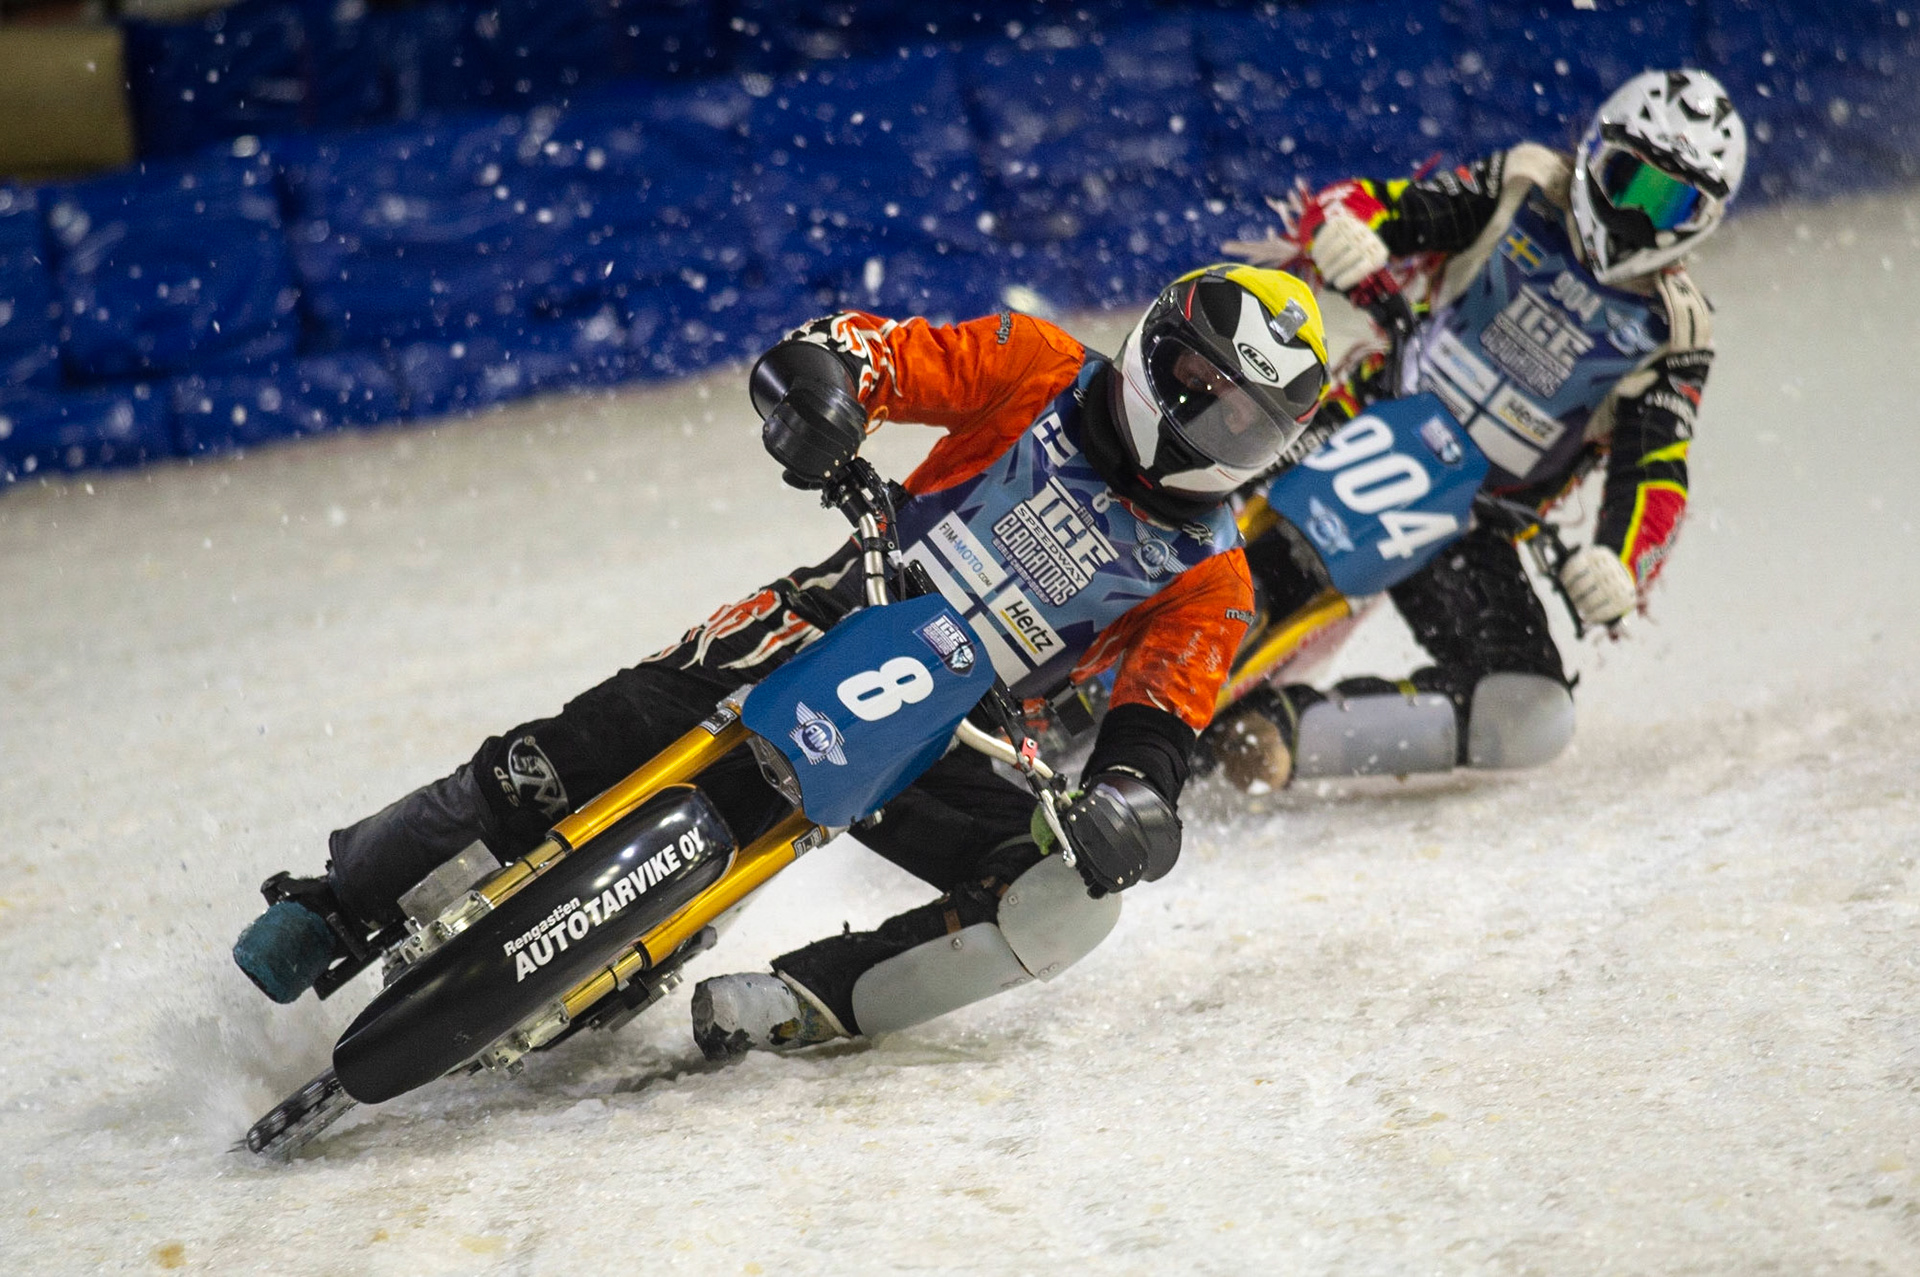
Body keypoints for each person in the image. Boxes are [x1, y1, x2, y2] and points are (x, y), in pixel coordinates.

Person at [231, 264, 1332, 1057]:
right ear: (1157, 354)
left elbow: (1160, 719)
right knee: (552, 759)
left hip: (950, 727)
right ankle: (343, 893)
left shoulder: (1215, 575)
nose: (1212, 430)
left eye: (1248, 423)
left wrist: (1134, 805)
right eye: (1207, 388)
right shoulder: (1037, 366)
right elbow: (872, 351)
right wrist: (824, 393)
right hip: (824, 609)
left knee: (1065, 901)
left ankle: (808, 1003)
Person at [1208, 69, 1745, 790]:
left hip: (1468, 518)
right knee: (1188, 484)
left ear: (1703, 218)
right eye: (1628, 180)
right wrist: (1345, 233)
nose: (1637, 216)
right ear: (1594, 153)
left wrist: (1621, 563)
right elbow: (1367, 204)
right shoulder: (1524, 182)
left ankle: (1273, 729)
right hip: (1361, 411)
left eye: (1671, 202)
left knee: (1527, 712)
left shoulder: (1677, 329)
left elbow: (1656, 471)